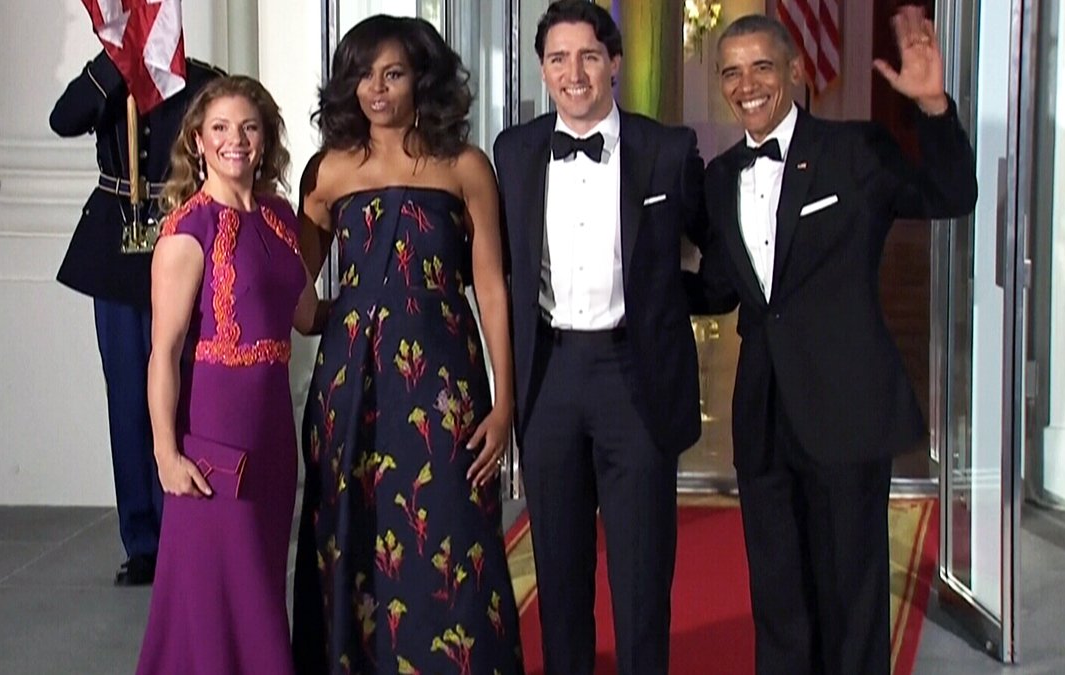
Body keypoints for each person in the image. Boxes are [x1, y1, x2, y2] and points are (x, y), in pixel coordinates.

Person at [700, 10, 978, 675]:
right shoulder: (718, 176)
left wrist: (935, 107)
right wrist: (630, 287)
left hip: (847, 409)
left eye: (762, 66)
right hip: (764, 414)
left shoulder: (855, 150)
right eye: (732, 71)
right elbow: (717, 287)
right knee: (778, 595)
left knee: (851, 595)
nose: (747, 84)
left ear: (795, 71)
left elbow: (951, 193)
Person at [291, 14, 523, 674]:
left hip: (442, 382)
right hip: (351, 387)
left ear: (422, 77)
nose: (377, 89)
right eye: (363, 75)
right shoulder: (328, 171)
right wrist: (334, 316)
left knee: (452, 527)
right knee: (352, 534)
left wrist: (504, 405)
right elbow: (290, 285)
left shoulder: (466, 166)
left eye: (392, 73)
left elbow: (493, 292)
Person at [492, 1, 713, 673]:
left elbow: (719, 250)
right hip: (550, 374)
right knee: (557, 567)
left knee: (642, 571)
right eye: (558, 58)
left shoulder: (666, 149)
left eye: (588, 55)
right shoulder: (515, 149)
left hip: (634, 373)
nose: (574, 72)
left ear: (614, 63)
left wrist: (676, 303)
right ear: (542, 69)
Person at [135, 75, 318, 674]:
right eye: (220, 128)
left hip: (271, 432)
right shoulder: (188, 231)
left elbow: (306, 315)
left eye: (248, 127)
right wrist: (165, 453)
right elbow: (164, 352)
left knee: (261, 578)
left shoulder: (280, 216)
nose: (234, 140)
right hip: (216, 432)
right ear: (198, 142)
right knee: (227, 590)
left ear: (264, 139)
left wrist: (384, 300)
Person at [49, 51, 223, 585]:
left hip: (184, 237)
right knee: (128, 395)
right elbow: (64, 120)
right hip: (117, 245)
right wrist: (110, 70)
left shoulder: (201, 80)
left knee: (185, 391)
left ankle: (184, 528)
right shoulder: (106, 74)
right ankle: (143, 540)